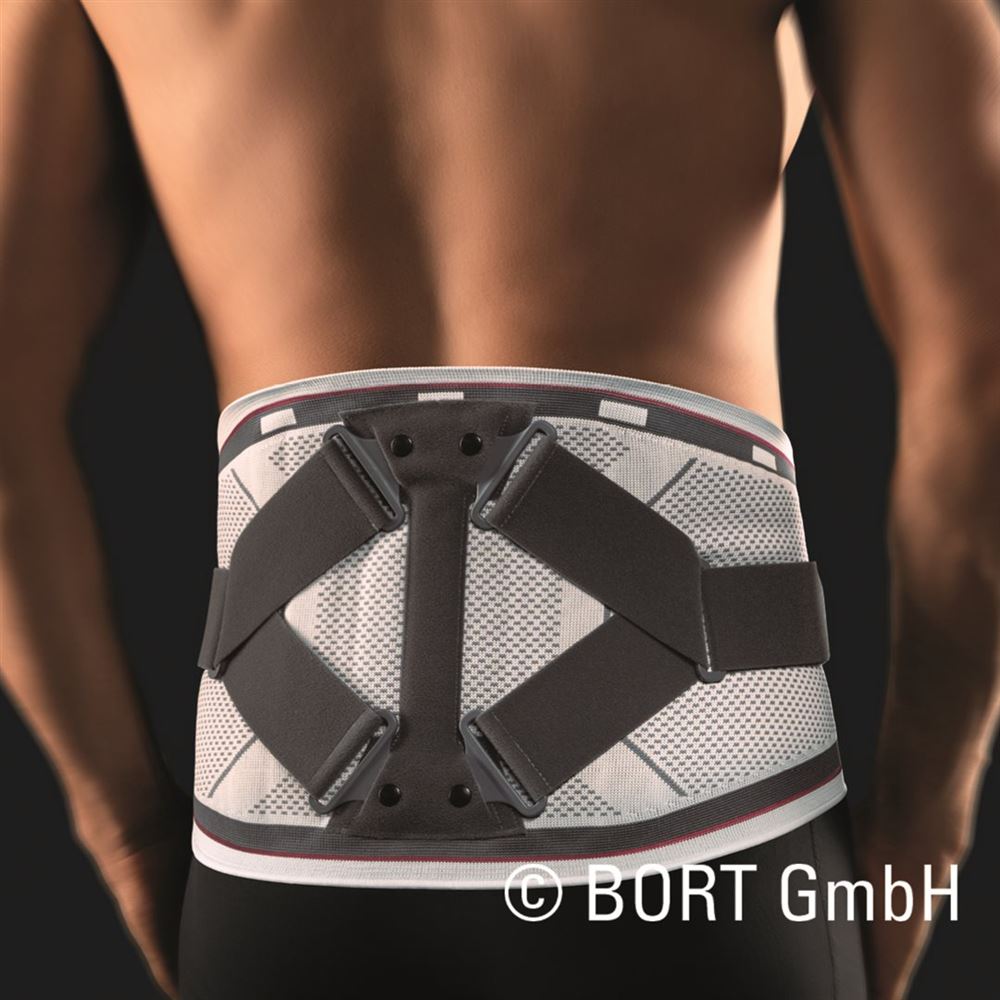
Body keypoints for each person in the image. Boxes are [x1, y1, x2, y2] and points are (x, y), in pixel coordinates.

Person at [1, 2, 997, 998]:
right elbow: (981, 374)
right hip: (713, 846)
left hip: (283, 874)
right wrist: (923, 825)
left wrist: (127, 829)